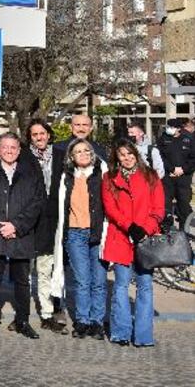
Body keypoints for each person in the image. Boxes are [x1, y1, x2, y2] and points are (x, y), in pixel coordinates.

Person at [102, 139, 165, 347]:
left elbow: (158, 209)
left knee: (145, 286)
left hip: (146, 239)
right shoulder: (109, 178)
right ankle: (120, 332)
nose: (127, 158)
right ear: (116, 157)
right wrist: (129, 227)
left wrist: (145, 229)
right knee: (120, 286)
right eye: (122, 154)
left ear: (136, 154)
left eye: (130, 154)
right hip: (121, 237)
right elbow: (110, 208)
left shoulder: (151, 176)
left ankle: (143, 335)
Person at [0, 132, 45, 338]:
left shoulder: (31, 174)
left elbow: (37, 203)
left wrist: (16, 226)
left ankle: (23, 321)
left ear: (19, 151)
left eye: (13, 148)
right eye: (5, 147)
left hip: (21, 234)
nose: (9, 151)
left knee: (22, 280)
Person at [56, 139, 108, 340]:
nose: (84, 153)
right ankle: (82, 321)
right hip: (76, 233)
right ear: (72, 156)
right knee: (82, 280)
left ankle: (97, 321)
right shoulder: (66, 177)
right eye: (78, 151)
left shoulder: (101, 174)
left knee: (99, 281)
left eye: (87, 150)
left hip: (98, 232)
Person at [23, 119, 66, 334]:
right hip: (31, 220)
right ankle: (32, 313)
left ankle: (50, 311)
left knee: (50, 267)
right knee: (31, 269)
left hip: (55, 220)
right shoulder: (23, 157)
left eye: (42, 133)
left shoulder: (61, 156)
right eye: (34, 134)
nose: (39, 137)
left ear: (49, 135)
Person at [157, 118, 195, 228]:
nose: (168, 129)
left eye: (171, 127)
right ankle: (167, 231)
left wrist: (183, 169)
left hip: (183, 178)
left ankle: (184, 233)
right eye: (168, 127)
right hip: (168, 177)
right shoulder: (163, 139)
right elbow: (160, 157)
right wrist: (172, 169)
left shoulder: (188, 140)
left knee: (183, 205)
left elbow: (193, 159)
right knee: (165, 205)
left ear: (178, 129)